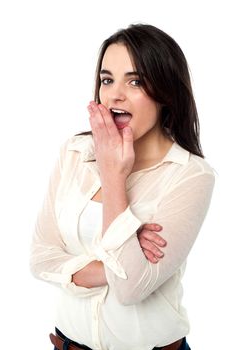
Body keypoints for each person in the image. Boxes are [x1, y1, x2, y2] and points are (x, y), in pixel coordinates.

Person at [30, 23, 215, 350]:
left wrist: (114, 175)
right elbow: (40, 258)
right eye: (106, 79)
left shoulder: (191, 175)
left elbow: (131, 291)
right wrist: (118, 261)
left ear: (166, 92)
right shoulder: (74, 152)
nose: (114, 94)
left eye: (135, 81)